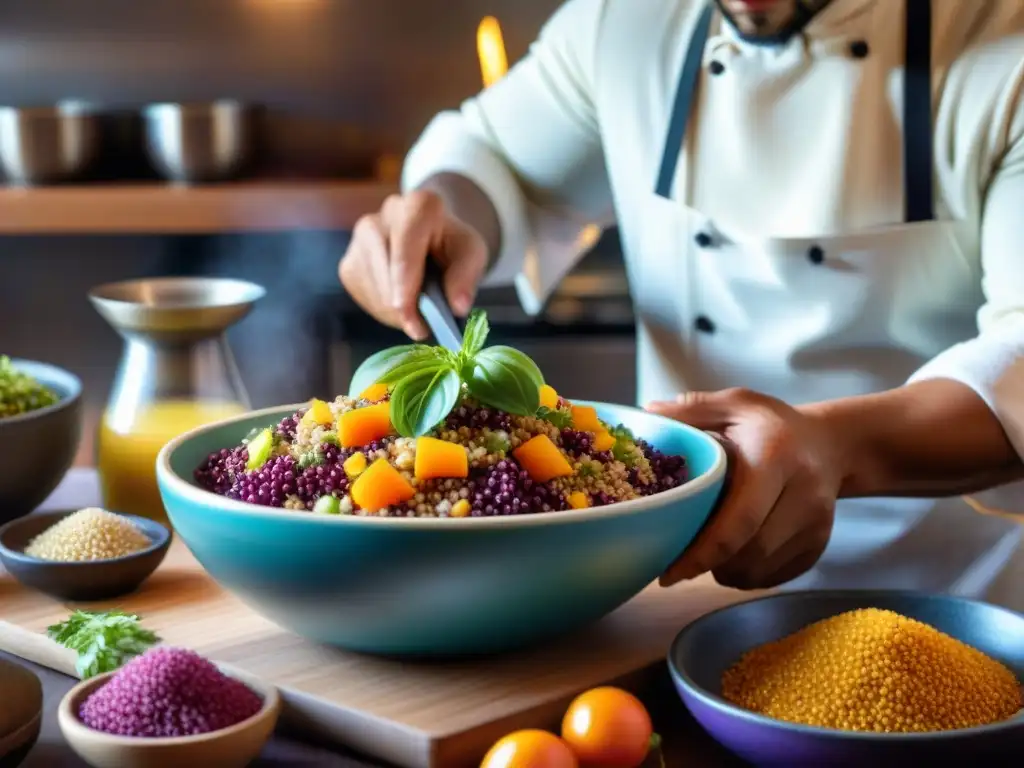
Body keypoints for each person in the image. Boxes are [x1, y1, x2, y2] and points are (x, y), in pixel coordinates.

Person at [338, 0, 1024, 602]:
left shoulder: (1005, 35)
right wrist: (441, 213)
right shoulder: (626, 22)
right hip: (668, 595)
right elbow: (494, 157)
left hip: (948, 600)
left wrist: (838, 446)